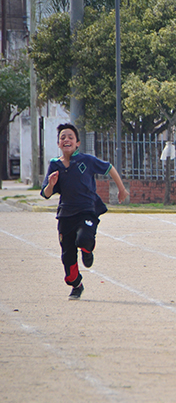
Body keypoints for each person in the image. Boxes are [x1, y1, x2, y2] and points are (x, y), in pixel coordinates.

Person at [41, 123, 129, 300]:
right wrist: (51, 184)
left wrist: (121, 189)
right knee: (68, 259)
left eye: (70, 137)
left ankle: (87, 251)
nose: (66, 140)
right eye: (63, 137)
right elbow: (46, 194)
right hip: (66, 216)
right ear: (58, 144)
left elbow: (109, 168)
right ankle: (76, 285)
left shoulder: (86, 160)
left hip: (87, 210)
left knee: (84, 239)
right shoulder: (54, 165)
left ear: (77, 143)